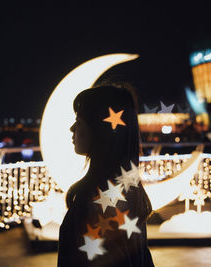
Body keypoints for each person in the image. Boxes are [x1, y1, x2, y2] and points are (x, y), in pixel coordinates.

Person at [58, 86, 154, 266]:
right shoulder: (130, 193)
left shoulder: (98, 203)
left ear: (100, 131)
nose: (72, 128)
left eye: (79, 122)